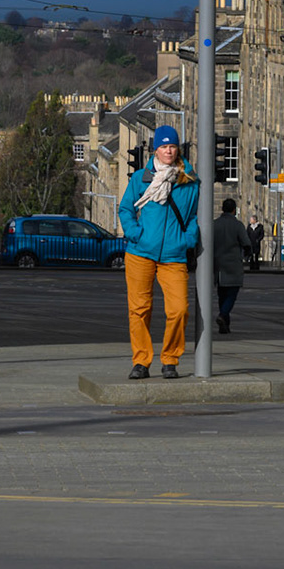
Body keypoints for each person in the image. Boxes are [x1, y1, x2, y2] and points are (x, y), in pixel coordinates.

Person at [117, 124, 200, 380]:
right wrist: (135, 234)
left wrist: (187, 240)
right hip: (140, 253)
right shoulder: (140, 179)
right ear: (156, 149)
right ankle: (141, 361)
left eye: (172, 146)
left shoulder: (189, 181)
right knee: (139, 309)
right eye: (163, 146)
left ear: (178, 149)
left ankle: (170, 359)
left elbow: (196, 216)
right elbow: (126, 210)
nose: (168, 151)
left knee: (179, 309)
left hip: (173, 256)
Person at [212, 198, 247, 335]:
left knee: (222, 294)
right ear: (234, 210)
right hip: (233, 264)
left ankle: (225, 325)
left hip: (218, 264)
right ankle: (223, 315)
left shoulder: (214, 224)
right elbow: (246, 242)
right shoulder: (238, 225)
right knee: (232, 294)